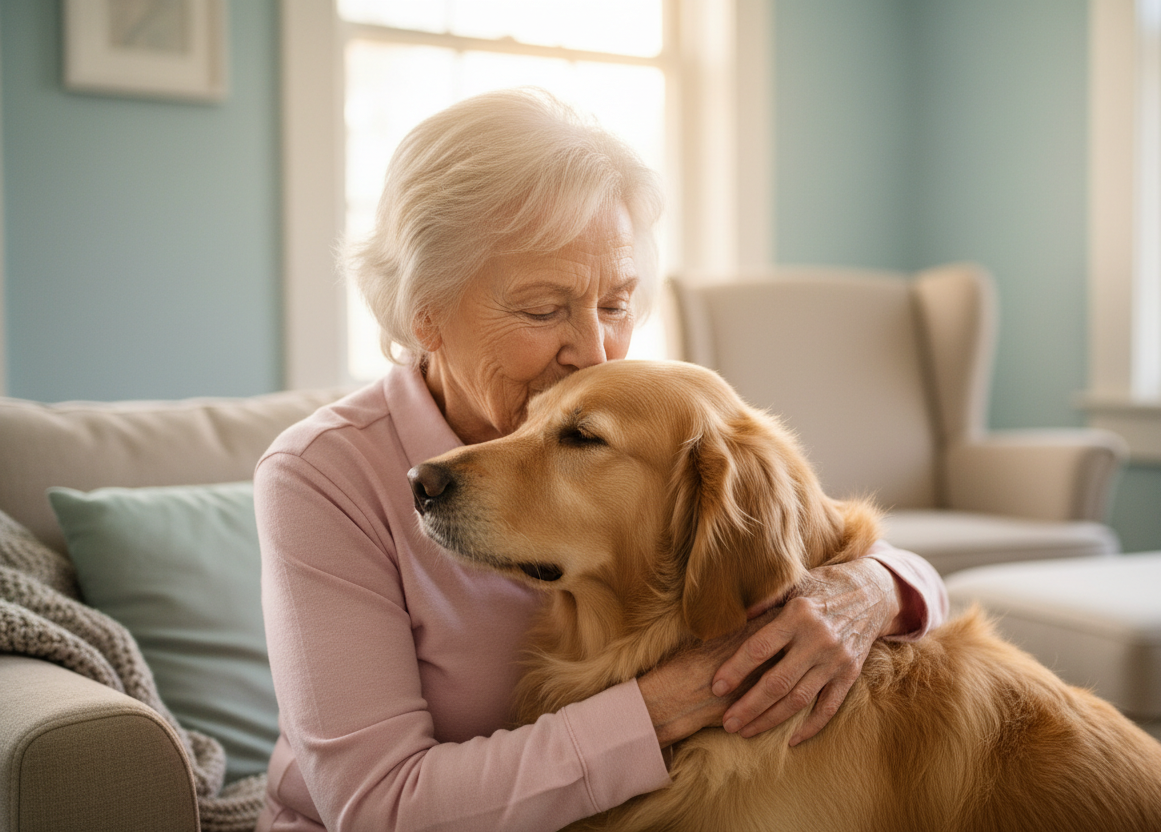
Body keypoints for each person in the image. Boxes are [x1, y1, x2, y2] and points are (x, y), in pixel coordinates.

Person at [255, 88, 948, 832]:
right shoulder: (320, 477)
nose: (593, 351)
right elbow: (377, 806)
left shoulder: (634, 420)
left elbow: (805, 532)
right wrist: (660, 710)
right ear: (426, 312)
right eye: (542, 309)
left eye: (615, 304)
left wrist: (878, 587)